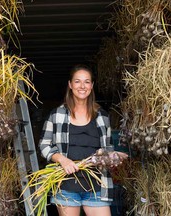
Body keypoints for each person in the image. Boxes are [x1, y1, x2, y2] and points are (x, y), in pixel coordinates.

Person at [39, 64, 128, 216]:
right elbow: (44, 145)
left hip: (96, 186)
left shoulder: (102, 117)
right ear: (70, 84)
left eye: (87, 82)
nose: (82, 86)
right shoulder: (57, 114)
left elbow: (107, 150)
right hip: (66, 186)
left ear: (92, 86)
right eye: (77, 81)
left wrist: (114, 157)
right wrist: (62, 160)